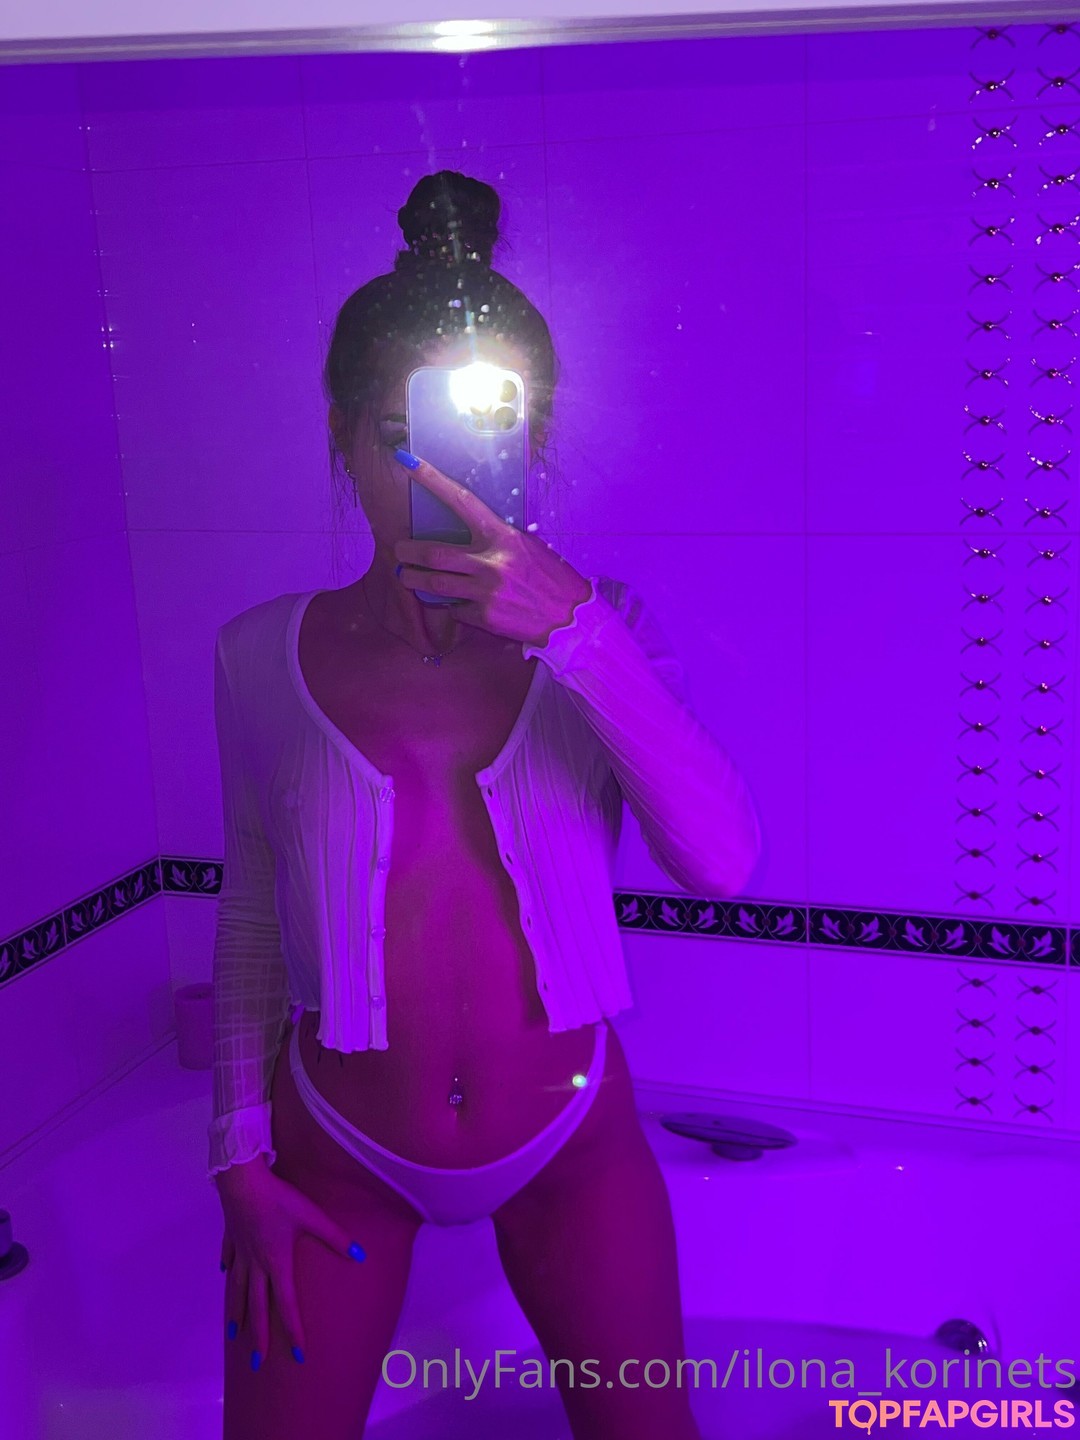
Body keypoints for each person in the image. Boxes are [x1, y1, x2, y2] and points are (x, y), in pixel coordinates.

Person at [210, 169, 761, 1440]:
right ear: (340, 436)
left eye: (473, 442)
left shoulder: (605, 633)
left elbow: (723, 861)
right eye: (394, 436)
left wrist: (575, 631)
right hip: (337, 1147)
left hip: (569, 1140)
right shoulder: (255, 655)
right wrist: (236, 1149)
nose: (433, 480)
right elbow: (250, 906)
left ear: (529, 445)